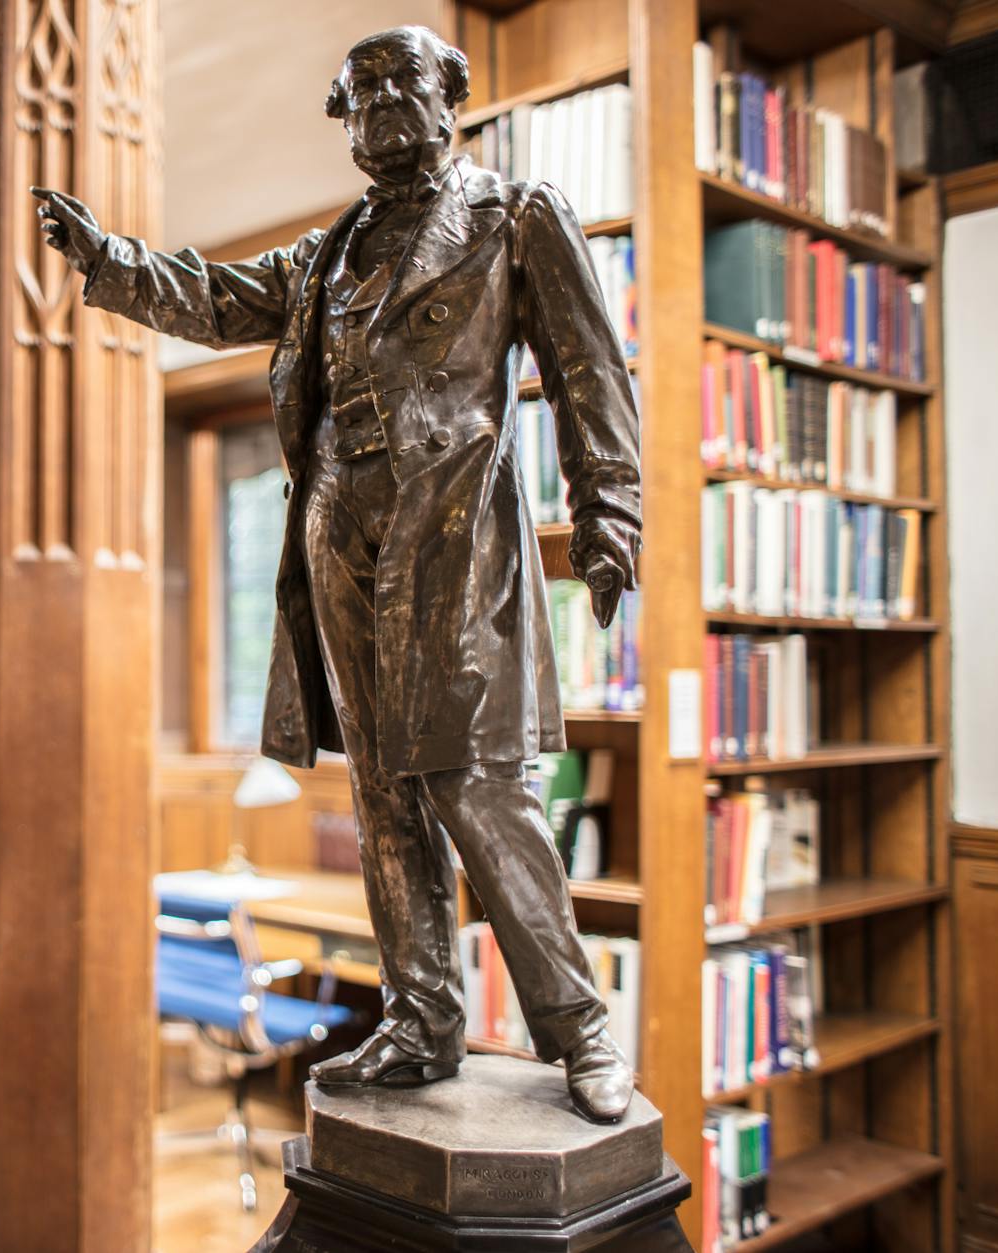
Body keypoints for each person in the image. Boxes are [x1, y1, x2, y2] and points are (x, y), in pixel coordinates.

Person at [33, 24, 643, 1122]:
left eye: (403, 81)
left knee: (475, 781)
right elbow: (215, 299)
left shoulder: (513, 216)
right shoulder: (324, 255)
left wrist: (610, 513)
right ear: (343, 117)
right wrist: (107, 261)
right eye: (361, 91)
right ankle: (420, 1017)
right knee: (379, 790)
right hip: (337, 532)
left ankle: (579, 1027)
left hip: (452, 532)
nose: (383, 103)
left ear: (449, 94)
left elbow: (589, 371)